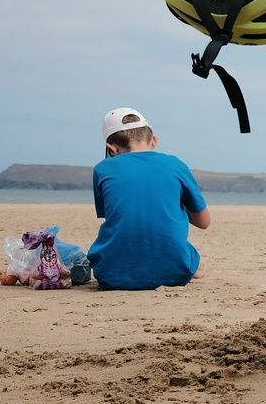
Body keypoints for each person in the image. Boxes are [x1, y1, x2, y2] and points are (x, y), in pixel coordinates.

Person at [87, 108, 210, 290]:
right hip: (176, 272)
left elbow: (119, 217)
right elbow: (204, 222)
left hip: (111, 275)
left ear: (111, 148)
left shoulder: (102, 169)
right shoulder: (175, 165)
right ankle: (189, 268)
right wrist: (178, 203)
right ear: (154, 140)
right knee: (190, 255)